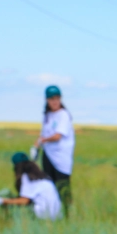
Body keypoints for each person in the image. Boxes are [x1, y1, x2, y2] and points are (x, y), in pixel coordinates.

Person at [33, 85, 74, 216]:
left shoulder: (64, 115)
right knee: (49, 187)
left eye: (57, 98)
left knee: (62, 186)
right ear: (47, 100)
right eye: (51, 99)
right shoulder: (47, 115)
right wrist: (36, 146)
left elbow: (57, 136)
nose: (54, 101)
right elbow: (43, 134)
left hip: (61, 158)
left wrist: (42, 141)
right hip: (48, 156)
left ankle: (67, 215)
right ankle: (52, 214)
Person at [0, 152, 62, 220]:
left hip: (42, 214)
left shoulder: (27, 177)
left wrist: (2, 201)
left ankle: (1, 220)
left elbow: (24, 201)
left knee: (7, 196)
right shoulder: (42, 176)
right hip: (56, 214)